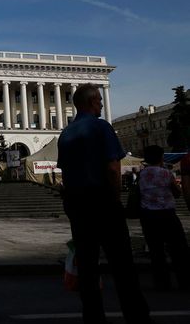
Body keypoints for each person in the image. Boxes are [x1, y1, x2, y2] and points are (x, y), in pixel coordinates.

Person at [57, 83, 151, 324]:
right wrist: (116, 197)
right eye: (99, 100)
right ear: (90, 102)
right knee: (122, 266)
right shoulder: (101, 127)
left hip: (78, 206)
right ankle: (137, 316)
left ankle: (93, 318)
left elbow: (65, 174)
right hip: (103, 202)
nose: (101, 103)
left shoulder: (65, 134)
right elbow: (112, 167)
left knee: (87, 268)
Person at [138, 145, 189, 290]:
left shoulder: (141, 175)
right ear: (161, 157)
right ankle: (184, 280)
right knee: (178, 249)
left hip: (148, 217)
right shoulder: (165, 173)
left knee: (156, 251)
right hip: (167, 215)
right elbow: (178, 192)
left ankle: (162, 282)